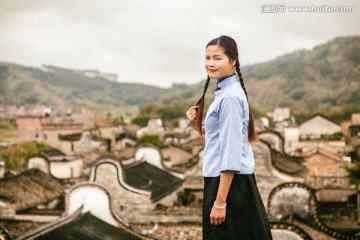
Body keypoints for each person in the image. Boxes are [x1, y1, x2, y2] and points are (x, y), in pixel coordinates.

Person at [186, 35, 273, 240]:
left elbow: (231, 153)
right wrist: (198, 126)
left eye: (217, 58)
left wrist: (220, 202)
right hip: (228, 183)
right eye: (207, 58)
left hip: (229, 186)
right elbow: (222, 138)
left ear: (232, 61)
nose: (210, 63)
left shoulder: (231, 97)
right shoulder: (227, 93)